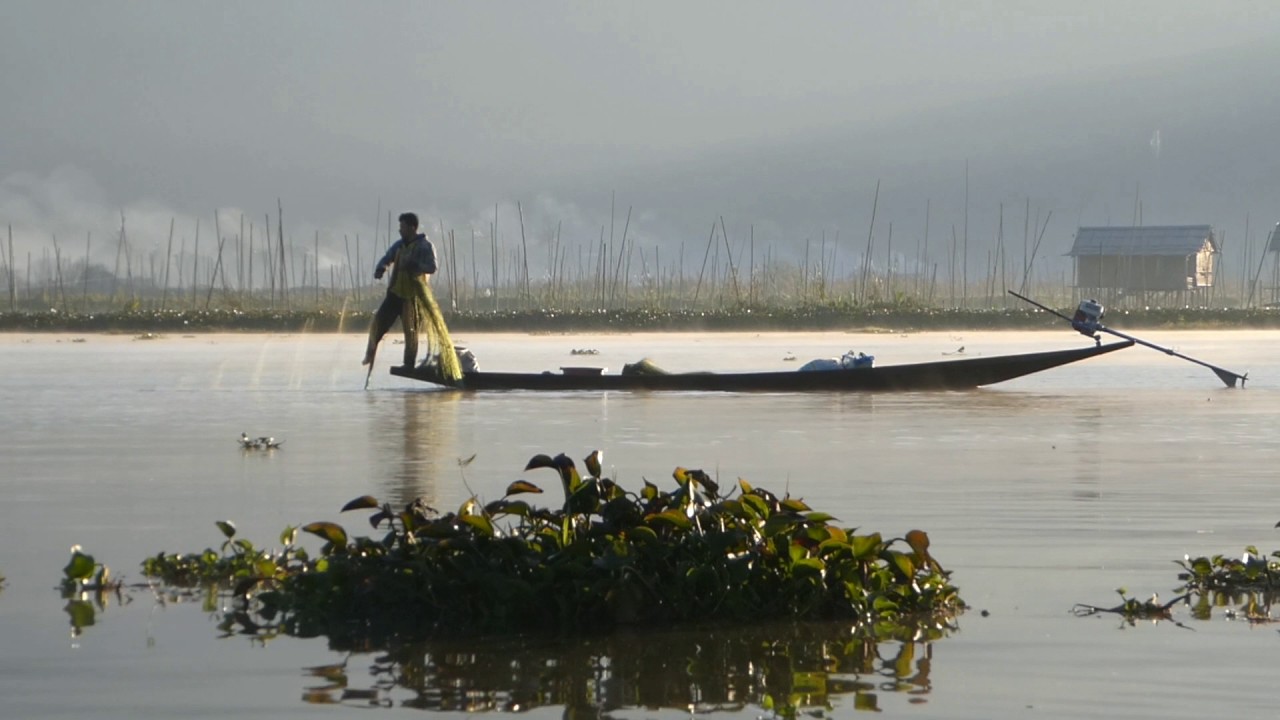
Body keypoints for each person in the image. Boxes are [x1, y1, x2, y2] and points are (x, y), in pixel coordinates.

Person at [362, 213, 461, 380]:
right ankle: (370, 353)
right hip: (395, 293)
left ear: (412, 227)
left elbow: (432, 267)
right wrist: (381, 268)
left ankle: (409, 364)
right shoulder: (399, 246)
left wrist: (415, 265)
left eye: (402, 227)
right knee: (378, 323)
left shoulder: (425, 246)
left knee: (411, 332)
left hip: (413, 297)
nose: (400, 230)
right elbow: (387, 258)